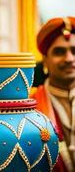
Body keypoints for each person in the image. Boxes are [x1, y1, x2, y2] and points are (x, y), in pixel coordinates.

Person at [31, 16, 75, 171]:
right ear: (45, 60)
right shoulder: (30, 107)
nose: (69, 59)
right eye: (59, 52)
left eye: (74, 51)